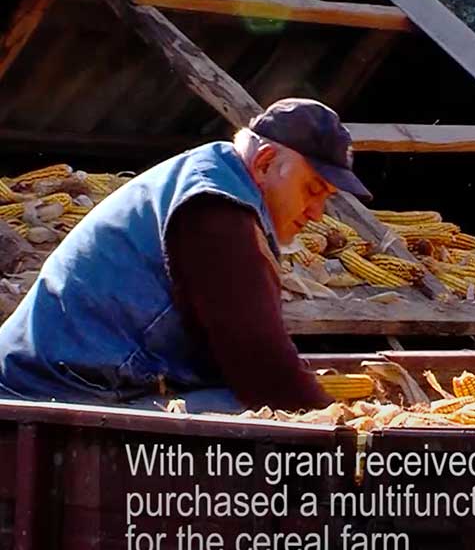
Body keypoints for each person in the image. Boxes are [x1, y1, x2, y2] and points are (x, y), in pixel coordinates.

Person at [0, 98, 373, 412]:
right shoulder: (215, 210)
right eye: (312, 189)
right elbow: (264, 372)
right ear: (264, 163)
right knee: (258, 417)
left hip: (59, 381)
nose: (317, 213)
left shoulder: (213, 175)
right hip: (47, 396)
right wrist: (342, 431)